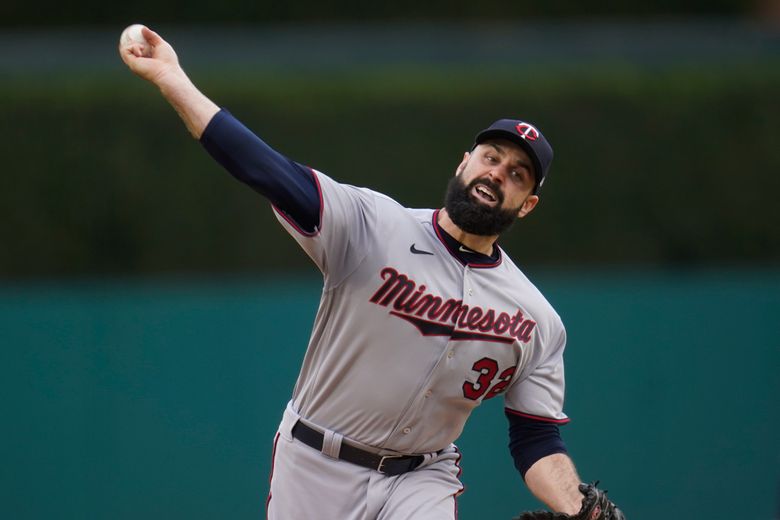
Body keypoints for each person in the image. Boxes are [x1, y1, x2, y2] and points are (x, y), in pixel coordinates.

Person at [120, 27, 623, 520]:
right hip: (315, 462)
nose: (498, 173)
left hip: (422, 478)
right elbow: (264, 168)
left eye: (517, 174)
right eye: (491, 158)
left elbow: (536, 440)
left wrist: (577, 507)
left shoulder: (537, 320)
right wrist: (172, 80)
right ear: (464, 162)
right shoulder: (371, 224)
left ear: (527, 204)